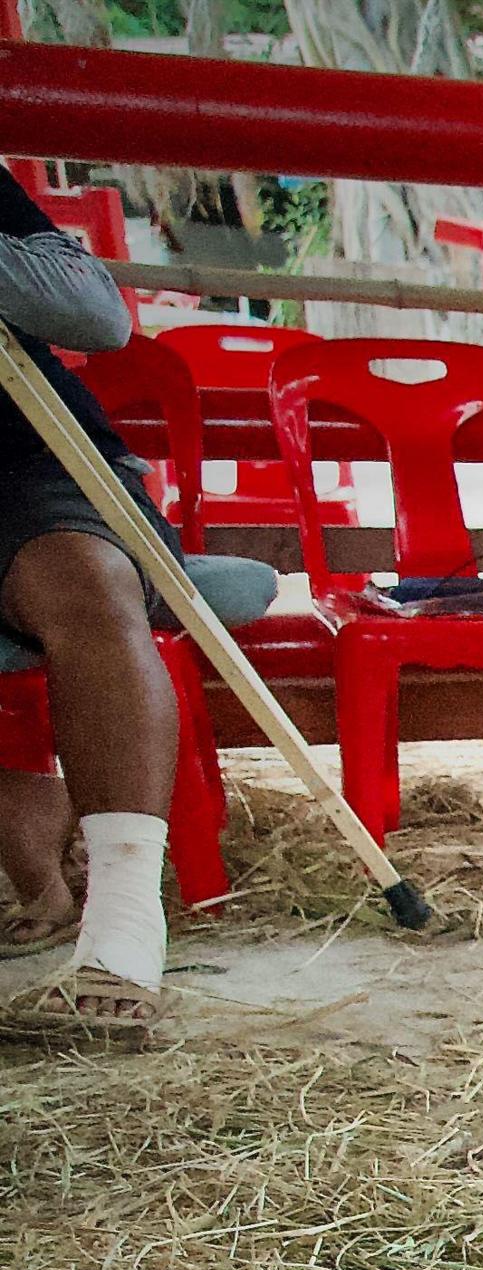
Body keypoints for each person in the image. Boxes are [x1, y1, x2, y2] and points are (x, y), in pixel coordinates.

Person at [0, 171, 175, 1048]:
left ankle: (123, 926)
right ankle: (21, 795)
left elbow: (98, 317)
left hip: (26, 464)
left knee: (87, 576)